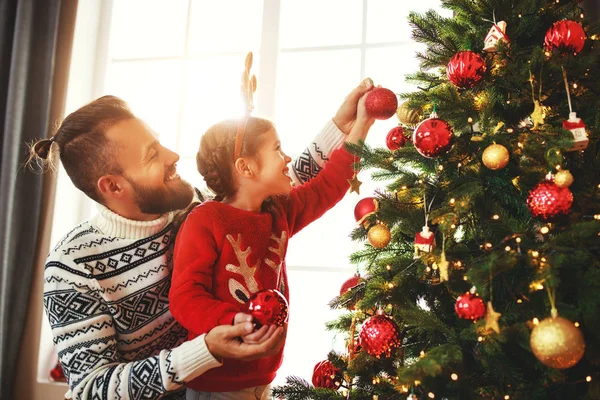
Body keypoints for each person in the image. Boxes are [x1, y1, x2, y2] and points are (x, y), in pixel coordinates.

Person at [28, 78, 375, 400]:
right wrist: (204, 351)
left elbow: (264, 197)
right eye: (152, 154)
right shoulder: (73, 267)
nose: (173, 156)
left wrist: (339, 130)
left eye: (159, 142)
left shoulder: (191, 207)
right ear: (113, 186)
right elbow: (90, 390)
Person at [168, 86, 375, 399]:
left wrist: (361, 127)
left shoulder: (279, 209)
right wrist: (232, 321)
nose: (287, 158)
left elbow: (328, 186)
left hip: (264, 378)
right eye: (277, 149)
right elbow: (185, 298)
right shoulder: (205, 220)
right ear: (246, 167)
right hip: (215, 384)